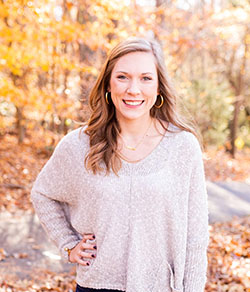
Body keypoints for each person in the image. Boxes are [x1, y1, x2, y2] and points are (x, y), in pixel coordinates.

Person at [31, 37, 210, 292]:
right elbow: (43, 193)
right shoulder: (79, 145)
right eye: (123, 77)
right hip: (97, 286)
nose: (133, 89)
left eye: (146, 78)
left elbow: (195, 235)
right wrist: (68, 244)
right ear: (108, 84)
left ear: (159, 87)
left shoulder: (183, 147)